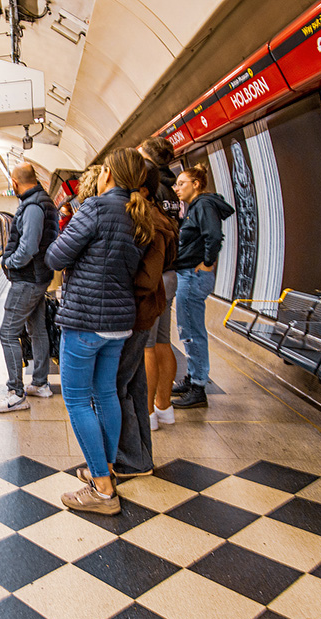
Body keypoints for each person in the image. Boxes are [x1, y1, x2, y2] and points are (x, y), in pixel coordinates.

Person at [45, 148, 147, 515]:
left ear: (108, 174)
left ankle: (102, 489)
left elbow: (56, 256)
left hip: (87, 320)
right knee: (106, 395)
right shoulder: (138, 213)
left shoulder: (96, 207)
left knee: (76, 401)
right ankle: (104, 469)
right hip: (120, 322)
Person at [113, 164, 178, 477]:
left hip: (138, 312)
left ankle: (130, 459)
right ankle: (139, 457)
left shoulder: (149, 221)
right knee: (134, 386)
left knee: (118, 386)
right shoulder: (152, 217)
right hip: (141, 312)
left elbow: (148, 278)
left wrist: (115, 284)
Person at [0, 163, 60, 413]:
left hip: (28, 279)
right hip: (39, 277)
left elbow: (29, 247)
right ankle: (40, 383)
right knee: (37, 329)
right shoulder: (43, 202)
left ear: (15, 181)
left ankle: (15, 393)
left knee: (7, 333)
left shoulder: (31, 207)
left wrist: (10, 263)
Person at [171, 163, 234, 408]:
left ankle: (198, 386)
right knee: (188, 329)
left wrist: (208, 262)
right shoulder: (195, 207)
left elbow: (213, 236)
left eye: (182, 183)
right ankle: (193, 377)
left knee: (192, 331)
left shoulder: (204, 205)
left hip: (193, 275)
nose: (177, 188)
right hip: (188, 274)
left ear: (196, 185)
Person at [137, 137, 180, 429]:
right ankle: (165, 407)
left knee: (147, 347)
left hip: (155, 272)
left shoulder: (150, 189)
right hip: (171, 271)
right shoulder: (173, 188)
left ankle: (148, 415)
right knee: (164, 341)